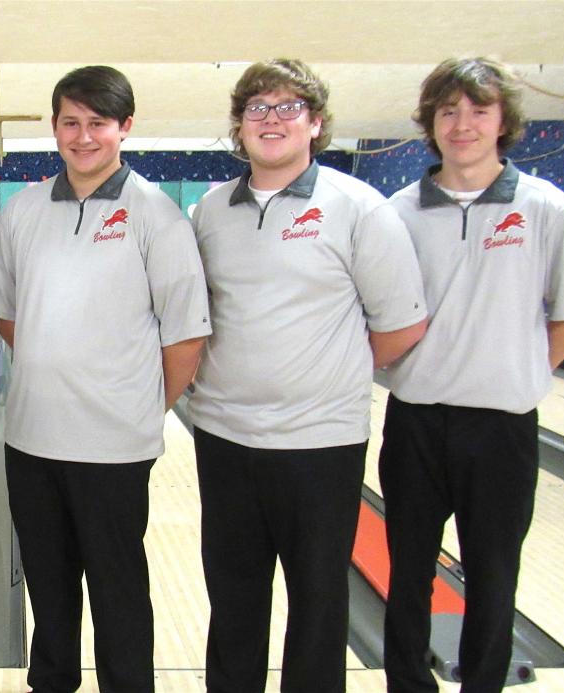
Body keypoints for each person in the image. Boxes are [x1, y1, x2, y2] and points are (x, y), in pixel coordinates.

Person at [186, 58, 429, 693]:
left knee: (319, 606)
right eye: (257, 108)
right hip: (224, 436)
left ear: (315, 123)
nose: (271, 119)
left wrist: (325, 372)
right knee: (234, 601)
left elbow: (400, 324)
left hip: (320, 444)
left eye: (288, 107)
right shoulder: (211, 211)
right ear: (239, 125)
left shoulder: (359, 207)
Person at [0, 65, 210, 693]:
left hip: (114, 448)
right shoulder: (23, 211)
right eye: (70, 122)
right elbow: (6, 316)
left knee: (118, 594)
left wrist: (139, 407)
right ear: (54, 126)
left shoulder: (157, 217)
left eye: (98, 124)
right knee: (49, 597)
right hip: (32, 441)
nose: (83, 137)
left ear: (124, 128)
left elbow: (186, 337)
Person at [380, 57, 564, 693]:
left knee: (495, 576)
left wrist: (513, 372)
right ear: (430, 123)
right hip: (416, 420)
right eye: (448, 111)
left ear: (504, 122)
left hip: (503, 427)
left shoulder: (546, 207)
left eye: (478, 110)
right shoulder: (399, 210)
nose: (462, 124)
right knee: (408, 574)